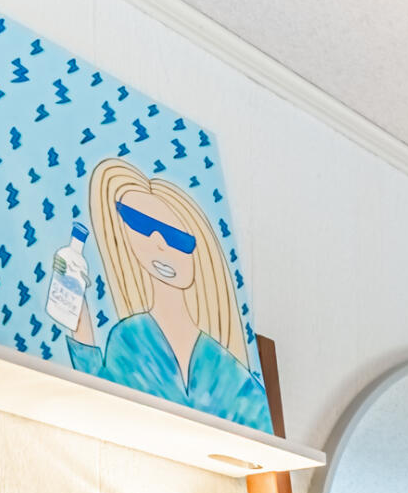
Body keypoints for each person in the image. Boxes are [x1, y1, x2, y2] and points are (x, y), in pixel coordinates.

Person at [56, 159, 272, 430]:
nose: (158, 244)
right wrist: (83, 334)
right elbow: (101, 404)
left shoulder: (229, 369)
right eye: (141, 225)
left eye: (176, 238)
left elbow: (260, 423)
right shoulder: (128, 338)